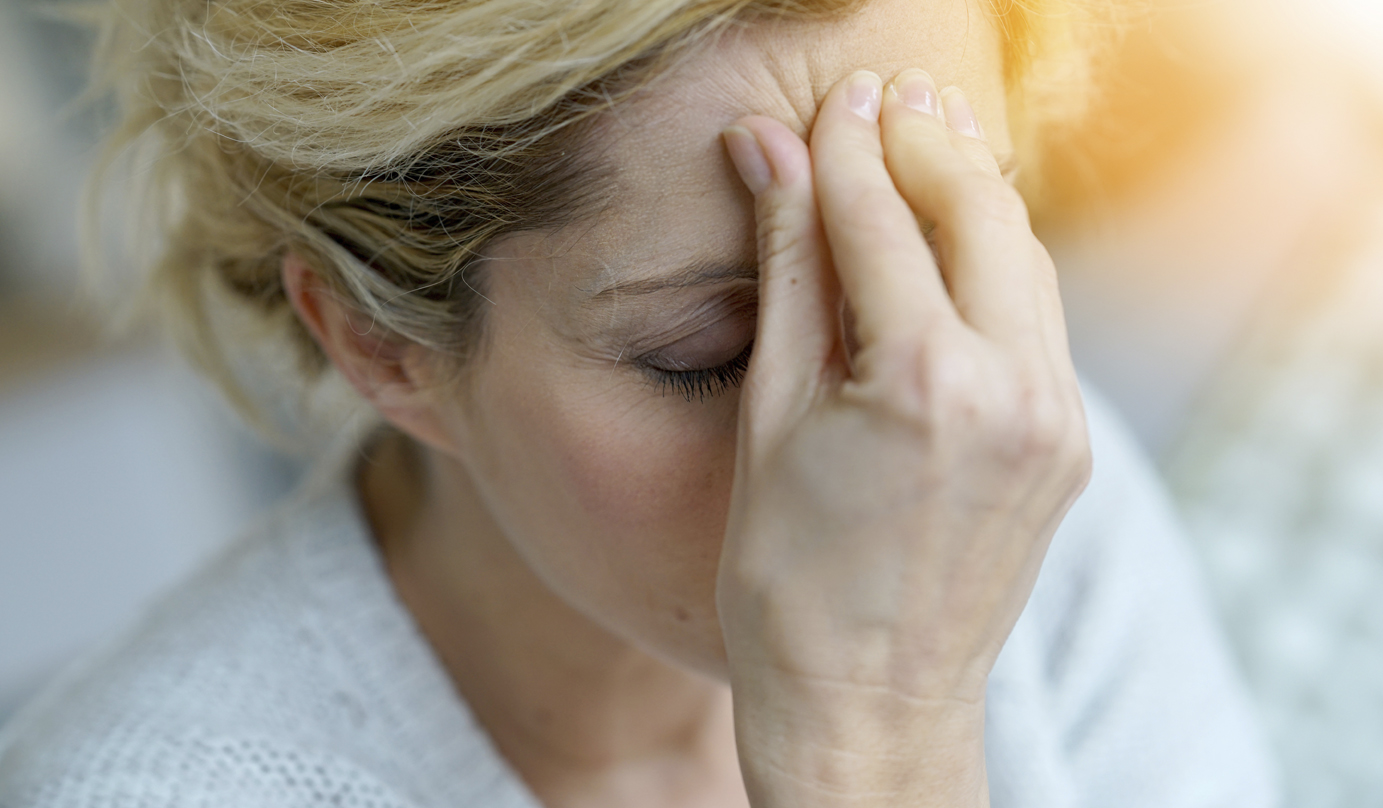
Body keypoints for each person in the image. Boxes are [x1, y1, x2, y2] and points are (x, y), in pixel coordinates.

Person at [0, 0, 1277, 805]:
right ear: (379, 345)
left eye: (930, 247)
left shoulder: (1013, 467)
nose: (898, 415)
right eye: (709, 348)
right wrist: (872, 744)